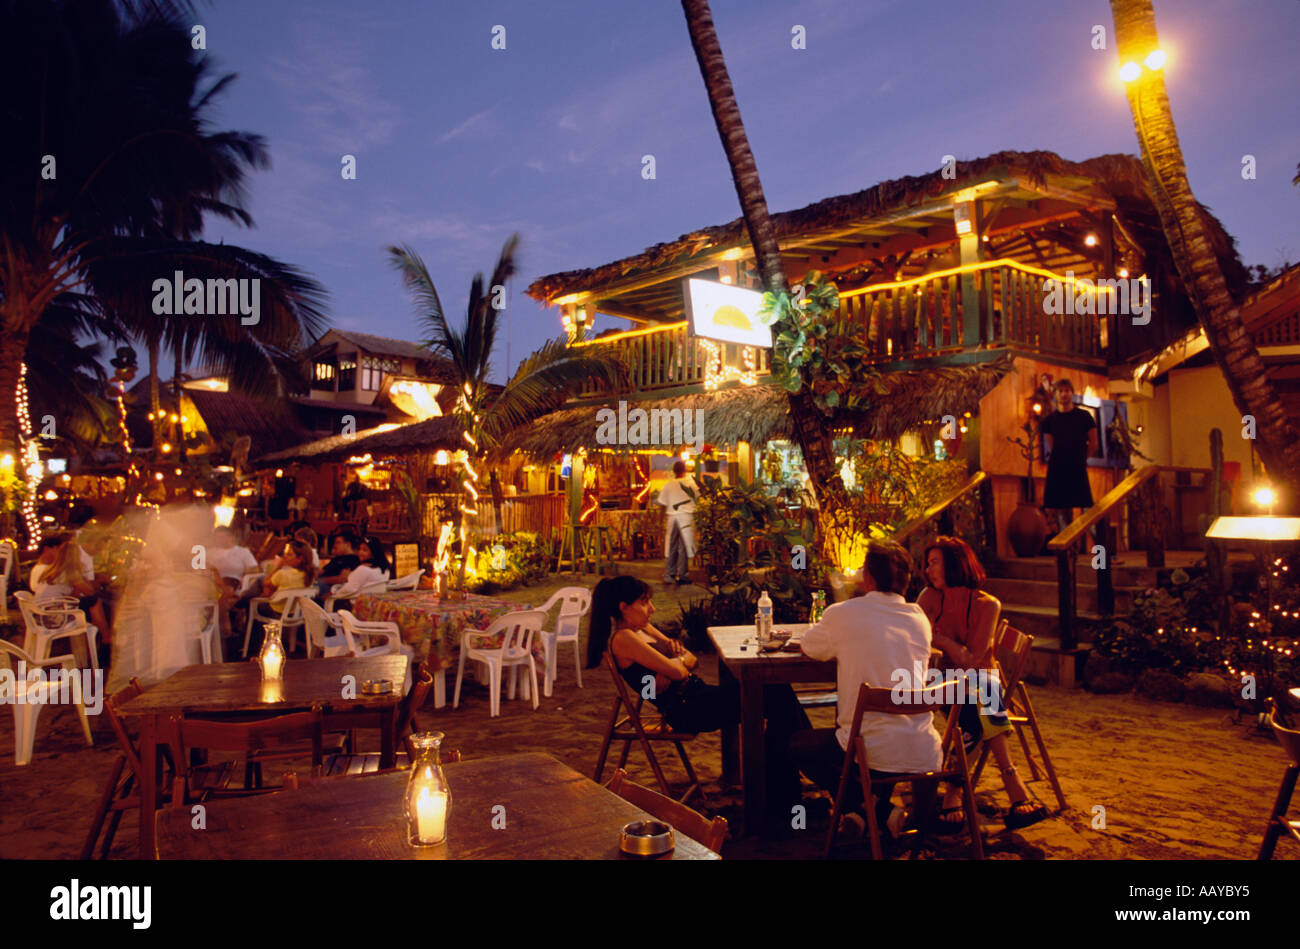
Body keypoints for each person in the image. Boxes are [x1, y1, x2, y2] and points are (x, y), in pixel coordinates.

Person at [587, 575, 809, 821]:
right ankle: (787, 787)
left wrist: (671, 661)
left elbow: (689, 659)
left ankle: (782, 791)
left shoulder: (640, 631)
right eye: (644, 601)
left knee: (778, 696)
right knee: (777, 695)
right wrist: (673, 665)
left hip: (696, 695)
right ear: (623, 607)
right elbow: (681, 670)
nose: (652, 608)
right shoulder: (624, 639)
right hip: (689, 708)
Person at [792, 541, 942, 840]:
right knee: (856, 736)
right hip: (922, 745)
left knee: (796, 745)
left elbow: (810, 646)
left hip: (867, 749)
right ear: (906, 580)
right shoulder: (918, 618)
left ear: (868, 577)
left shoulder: (844, 613)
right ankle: (867, 811)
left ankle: (868, 809)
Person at [918, 536, 1048, 830]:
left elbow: (973, 660)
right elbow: (915, 638)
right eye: (928, 564)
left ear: (955, 564)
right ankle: (1013, 784)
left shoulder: (987, 605)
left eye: (934, 563)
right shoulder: (928, 597)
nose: (929, 571)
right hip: (943, 682)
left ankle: (952, 791)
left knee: (980, 697)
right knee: (983, 701)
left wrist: (937, 637)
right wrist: (948, 645)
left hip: (979, 681)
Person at [30, 534, 114, 650]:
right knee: (95, 602)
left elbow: (70, 596)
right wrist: (85, 578)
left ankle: (101, 642)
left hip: (40, 614)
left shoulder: (52, 570)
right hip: (52, 618)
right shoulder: (69, 573)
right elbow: (90, 591)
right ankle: (106, 640)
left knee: (91, 604)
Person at [1039, 377, 1098, 534]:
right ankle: (1068, 555)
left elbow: (1093, 443)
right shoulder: (1050, 421)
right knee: (1061, 514)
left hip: (1078, 467)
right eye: (1060, 391)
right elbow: (1052, 446)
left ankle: (1103, 556)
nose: (1064, 394)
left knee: (1088, 511)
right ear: (1055, 395)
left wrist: (1083, 459)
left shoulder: (1084, 417)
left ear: (1072, 393)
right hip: (1058, 469)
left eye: (1067, 391)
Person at [655, 461, 698, 585]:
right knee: (684, 546)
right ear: (685, 470)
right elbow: (700, 497)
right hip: (686, 517)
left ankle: (669, 574)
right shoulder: (691, 484)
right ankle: (683, 575)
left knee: (672, 546)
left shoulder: (668, 484)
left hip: (672, 517)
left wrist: (660, 521)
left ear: (674, 471)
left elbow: (662, 505)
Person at [327, 536, 391, 608]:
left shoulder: (363, 569)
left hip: (353, 605)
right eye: (360, 549)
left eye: (364, 550)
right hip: (373, 604)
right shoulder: (385, 569)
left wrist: (334, 595)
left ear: (373, 553)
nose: (360, 552)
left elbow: (349, 589)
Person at [316, 530, 361, 600]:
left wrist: (321, 580)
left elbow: (341, 579)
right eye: (335, 543)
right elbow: (321, 571)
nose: (334, 546)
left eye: (338, 543)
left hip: (332, 588)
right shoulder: (336, 558)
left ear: (348, 544)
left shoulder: (353, 560)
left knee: (312, 587)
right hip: (320, 582)